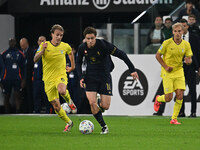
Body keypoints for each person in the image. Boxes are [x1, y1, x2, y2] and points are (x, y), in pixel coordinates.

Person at [76, 26, 139, 134]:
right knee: (91, 102)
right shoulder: (82, 48)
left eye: (92, 38)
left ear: (95, 37)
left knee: (105, 106)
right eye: (88, 39)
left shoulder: (103, 45)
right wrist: (81, 77)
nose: (90, 41)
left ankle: (100, 101)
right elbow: (78, 62)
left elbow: (121, 54)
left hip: (104, 76)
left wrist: (132, 69)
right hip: (90, 77)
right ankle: (103, 126)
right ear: (85, 38)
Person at [34, 24, 77, 132]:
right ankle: (69, 122)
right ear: (52, 34)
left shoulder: (65, 46)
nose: (59, 37)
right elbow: (35, 59)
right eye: (57, 35)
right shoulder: (45, 45)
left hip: (60, 75)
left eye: (61, 35)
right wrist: (42, 51)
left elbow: (70, 52)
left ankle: (70, 102)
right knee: (57, 107)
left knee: (62, 90)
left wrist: (72, 66)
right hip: (48, 80)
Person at [154, 23, 193, 125]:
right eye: (175, 31)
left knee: (180, 94)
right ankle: (158, 99)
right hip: (168, 72)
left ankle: (174, 119)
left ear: (183, 32)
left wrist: (189, 61)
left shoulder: (186, 44)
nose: (177, 33)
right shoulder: (167, 43)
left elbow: (189, 59)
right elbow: (158, 55)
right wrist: (166, 66)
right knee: (168, 98)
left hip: (179, 71)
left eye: (179, 31)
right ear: (172, 32)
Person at [178, 19, 200, 118]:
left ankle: (193, 112)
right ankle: (181, 112)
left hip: (191, 67)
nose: (183, 28)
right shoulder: (175, 39)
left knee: (192, 90)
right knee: (180, 90)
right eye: (181, 27)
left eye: (184, 26)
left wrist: (199, 67)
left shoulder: (195, 38)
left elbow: (198, 53)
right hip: (179, 67)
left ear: (188, 26)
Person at [1, 38, 25, 113]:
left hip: (17, 78)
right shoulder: (4, 54)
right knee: (6, 96)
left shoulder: (20, 53)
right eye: (10, 42)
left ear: (15, 43)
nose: (12, 43)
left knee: (17, 95)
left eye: (13, 41)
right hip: (6, 78)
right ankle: (6, 112)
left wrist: (23, 80)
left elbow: (23, 68)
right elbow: (1, 67)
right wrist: (0, 80)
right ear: (9, 43)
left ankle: (18, 111)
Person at [33, 36, 51, 113]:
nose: (41, 42)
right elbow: (34, 61)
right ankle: (37, 111)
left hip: (46, 78)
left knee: (46, 96)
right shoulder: (36, 52)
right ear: (37, 42)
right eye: (40, 41)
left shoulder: (49, 51)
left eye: (43, 41)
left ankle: (49, 111)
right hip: (37, 79)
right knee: (36, 96)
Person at [20, 38, 34, 113]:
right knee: (23, 95)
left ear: (27, 44)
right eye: (21, 46)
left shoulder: (31, 51)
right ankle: (24, 111)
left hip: (29, 77)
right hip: (22, 78)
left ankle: (30, 110)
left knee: (30, 95)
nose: (22, 47)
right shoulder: (20, 53)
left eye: (23, 45)